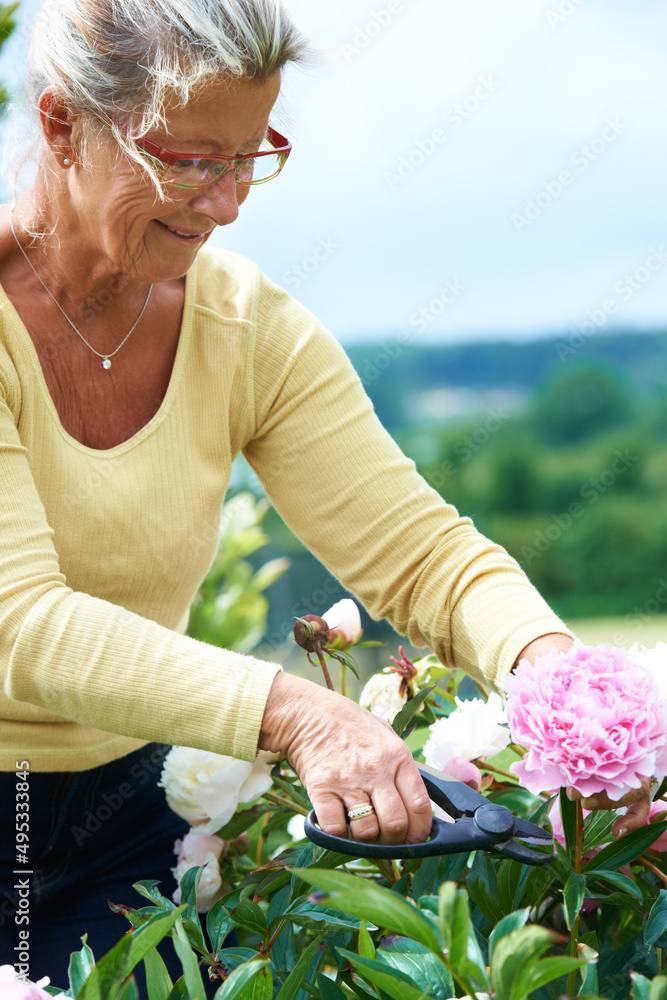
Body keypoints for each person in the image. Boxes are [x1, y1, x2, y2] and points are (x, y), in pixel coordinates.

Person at [0, 0, 652, 991]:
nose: (224, 206)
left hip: (119, 820)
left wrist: (571, 695)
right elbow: (22, 625)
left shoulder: (245, 328)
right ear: (60, 124)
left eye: (250, 158)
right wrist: (303, 715)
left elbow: (422, 553)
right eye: (186, 160)